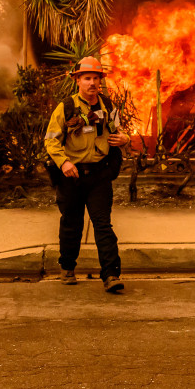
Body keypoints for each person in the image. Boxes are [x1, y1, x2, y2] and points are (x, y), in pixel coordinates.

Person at [44, 56, 130, 293]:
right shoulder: (66, 108)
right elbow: (51, 142)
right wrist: (63, 163)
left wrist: (125, 139)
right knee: (71, 223)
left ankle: (111, 275)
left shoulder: (108, 106)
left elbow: (118, 132)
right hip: (71, 176)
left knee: (103, 224)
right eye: (87, 78)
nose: (92, 83)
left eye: (96, 78)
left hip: (99, 175)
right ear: (78, 81)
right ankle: (68, 268)